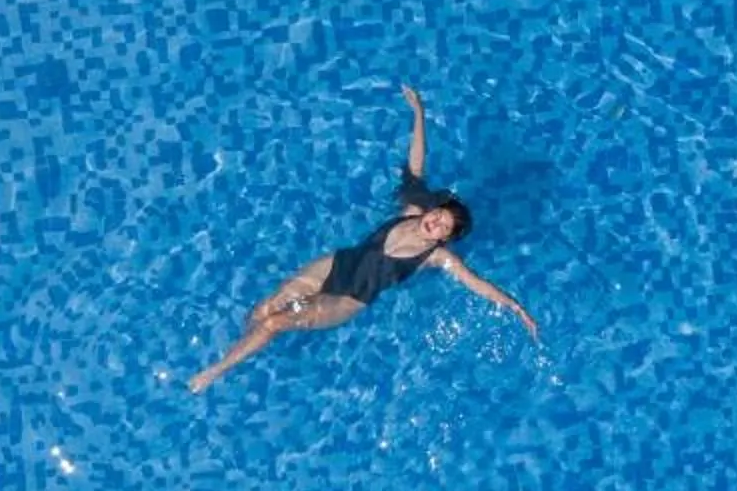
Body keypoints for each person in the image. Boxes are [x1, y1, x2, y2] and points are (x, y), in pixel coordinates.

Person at [189, 86, 538, 393]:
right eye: (438, 215)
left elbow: (478, 285)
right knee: (267, 307)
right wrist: (419, 113)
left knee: (276, 322)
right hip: (337, 264)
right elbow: (416, 164)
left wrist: (515, 306)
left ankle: (215, 372)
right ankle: (239, 345)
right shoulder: (412, 210)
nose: (434, 222)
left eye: (443, 226)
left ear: (445, 237)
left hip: (351, 298)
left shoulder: (438, 258)